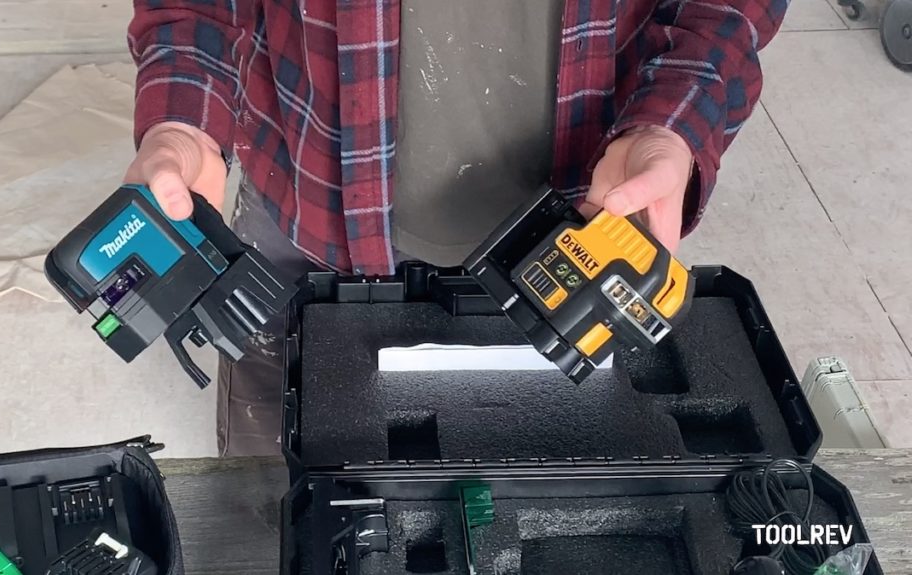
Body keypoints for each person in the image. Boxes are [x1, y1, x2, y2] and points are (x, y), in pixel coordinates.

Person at [124, 0, 787, 456]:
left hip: (576, 231)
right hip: (305, 200)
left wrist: (671, 124)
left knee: (536, 480)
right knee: (279, 490)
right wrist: (183, 118)